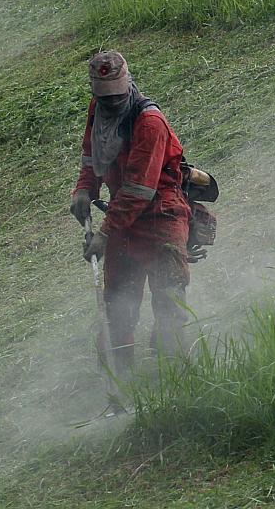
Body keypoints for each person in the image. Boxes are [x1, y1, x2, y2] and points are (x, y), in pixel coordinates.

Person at [71, 50, 191, 378]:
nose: (111, 103)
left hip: (161, 216)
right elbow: (90, 155)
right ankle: (119, 381)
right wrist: (84, 189)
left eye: (116, 96)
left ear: (128, 85)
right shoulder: (98, 110)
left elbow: (139, 189)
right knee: (116, 307)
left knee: (169, 302)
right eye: (104, 98)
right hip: (122, 218)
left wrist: (105, 234)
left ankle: (176, 377)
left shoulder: (150, 122)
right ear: (94, 92)